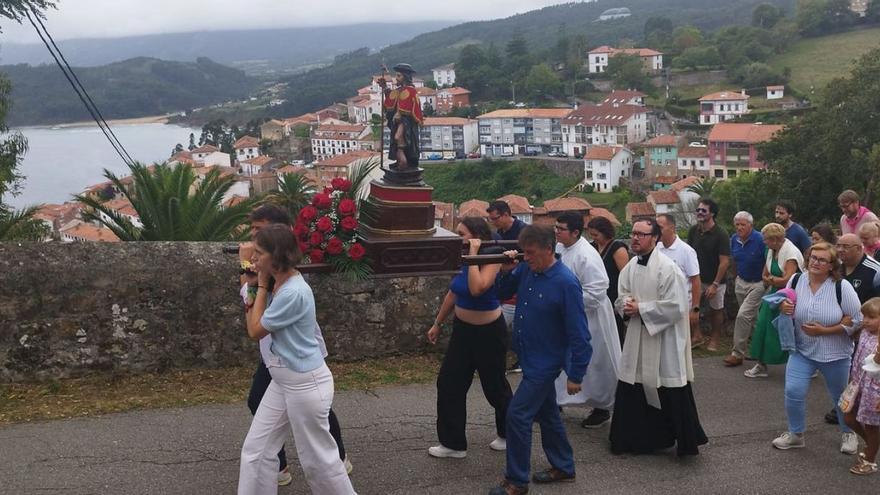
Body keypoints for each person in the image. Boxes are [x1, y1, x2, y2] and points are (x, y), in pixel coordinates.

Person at [238, 225, 356, 495]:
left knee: (320, 462)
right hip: (283, 379)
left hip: (304, 384)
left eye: (258, 254)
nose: (253, 259)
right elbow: (250, 301)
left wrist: (262, 285)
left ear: (276, 256)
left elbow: (255, 330)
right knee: (257, 450)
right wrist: (257, 281)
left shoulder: (293, 292)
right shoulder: (280, 281)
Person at [489, 225, 591, 495]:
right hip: (528, 355)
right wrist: (506, 268)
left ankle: (516, 481)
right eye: (524, 253)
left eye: (531, 253)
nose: (527, 257)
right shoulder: (526, 268)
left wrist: (576, 374)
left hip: (545, 363)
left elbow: (579, 333)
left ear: (549, 250)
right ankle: (563, 466)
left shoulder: (566, 283)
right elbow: (501, 292)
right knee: (547, 414)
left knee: (518, 415)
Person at [610, 218, 708, 456]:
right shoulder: (631, 266)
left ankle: (682, 439)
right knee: (633, 383)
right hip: (637, 336)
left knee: (668, 384)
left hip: (663, 338)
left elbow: (676, 306)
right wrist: (625, 305)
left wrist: (641, 309)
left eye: (642, 234)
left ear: (654, 238)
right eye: (633, 233)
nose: (635, 238)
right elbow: (620, 296)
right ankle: (634, 440)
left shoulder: (667, 268)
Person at [426, 217, 512, 458]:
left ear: (476, 236)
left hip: (489, 333)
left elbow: (478, 288)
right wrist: (437, 323)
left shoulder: (492, 254)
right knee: (449, 383)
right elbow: (454, 293)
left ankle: (510, 434)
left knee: (495, 387)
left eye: (461, 234)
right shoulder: (463, 257)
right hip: (463, 332)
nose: (458, 238)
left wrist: (474, 252)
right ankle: (453, 444)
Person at [774, 242, 861, 455]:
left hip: (835, 355)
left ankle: (849, 432)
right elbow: (782, 300)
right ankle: (796, 435)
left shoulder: (842, 287)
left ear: (832, 266)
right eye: (813, 257)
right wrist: (783, 305)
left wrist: (826, 330)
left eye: (822, 260)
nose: (815, 262)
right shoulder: (796, 280)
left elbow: (858, 321)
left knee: (840, 396)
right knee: (793, 391)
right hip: (802, 350)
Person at [554, 212, 621, 429]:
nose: (556, 232)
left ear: (575, 232)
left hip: (591, 318)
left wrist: (564, 300)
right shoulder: (559, 248)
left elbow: (597, 292)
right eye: (556, 228)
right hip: (566, 318)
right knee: (560, 360)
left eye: (560, 229)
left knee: (596, 364)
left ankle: (601, 408)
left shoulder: (586, 255)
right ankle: (555, 402)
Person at [822, 234, 880, 424]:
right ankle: (848, 403)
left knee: (865, 369)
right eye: (838, 246)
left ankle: (859, 407)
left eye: (846, 246)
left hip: (867, 330)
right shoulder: (836, 268)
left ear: (859, 248)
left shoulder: (874, 270)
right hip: (842, 327)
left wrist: (866, 322)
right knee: (849, 369)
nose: (840, 250)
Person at [744, 223, 803, 378]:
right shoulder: (770, 249)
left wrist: (772, 280)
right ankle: (761, 363)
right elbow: (765, 274)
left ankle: (805, 364)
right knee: (763, 325)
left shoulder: (791, 254)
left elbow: (787, 280)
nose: (764, 242)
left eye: (766, 239)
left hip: (790, 295)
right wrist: (772, 280)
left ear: (776, 239)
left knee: (790, 331)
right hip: (775, 294)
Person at [487, 200, 527, 372]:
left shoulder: (523, 231)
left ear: (505, 215)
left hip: (519, 284)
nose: (493, 223)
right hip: (503, 282)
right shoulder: (500, 232)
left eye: (495, 219)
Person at [842, 297, 880, 475]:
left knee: (872, 425)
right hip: (857, 384)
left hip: (875, 390)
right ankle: (872, 443)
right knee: (848, 417)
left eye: (872, 317)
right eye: (864, 316)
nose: (866, 320)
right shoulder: (865, 332)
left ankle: (870, 460)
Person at [687, 197, 731, 351]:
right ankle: (697, 335)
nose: (699, 212)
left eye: (703, 210)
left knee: (716, 310)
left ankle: (715, 340)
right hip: (696, 279)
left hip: (715, 280)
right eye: (698, 210)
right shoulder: (694, 231)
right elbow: (689, 254)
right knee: (693, 308)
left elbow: (725, 262)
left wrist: (715, 284)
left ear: (712, 213)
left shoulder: (721, 234)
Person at [726, 212, 767, 367]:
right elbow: (734, 260)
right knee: (754, 319)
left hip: (758, 283)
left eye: (743, 224)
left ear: (751, 225)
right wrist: (737, 277)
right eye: (737, 224)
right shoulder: (734, 239)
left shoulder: (760, 239)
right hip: (741, 281)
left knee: (743, 316)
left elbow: (768, 259)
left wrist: (765, 279)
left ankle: (737, 354)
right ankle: (760, 350)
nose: (739, 227)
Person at [656, 214, 701, 341]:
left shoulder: (686, 251)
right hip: (661, 304)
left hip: (680, 305)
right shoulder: (656, 248)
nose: (657, 231)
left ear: (672, 228)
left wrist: (695, 309)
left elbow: (695, 280)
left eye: (660, 227)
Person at [587, 216, 630, 345]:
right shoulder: (592, 247)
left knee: (615, 335)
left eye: (596, 234)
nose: (594, 237)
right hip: (598, 297)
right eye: (592, 235)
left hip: (613, 296)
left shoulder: (617, 249)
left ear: (605, 232)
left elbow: (625, 277)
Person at [378, 63, 423, 171]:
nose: (396, 78)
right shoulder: (399, 90)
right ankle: (400, 161)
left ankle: (405, 162)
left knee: (399, 138)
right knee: (396, 140)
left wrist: (400, 114)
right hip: (398, 122)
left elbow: (409, 106)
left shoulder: (410, 91)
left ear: (405, 77)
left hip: (406, 122)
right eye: (396, 75)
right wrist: (384, 88)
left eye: (399, 76)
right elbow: (391, 100)